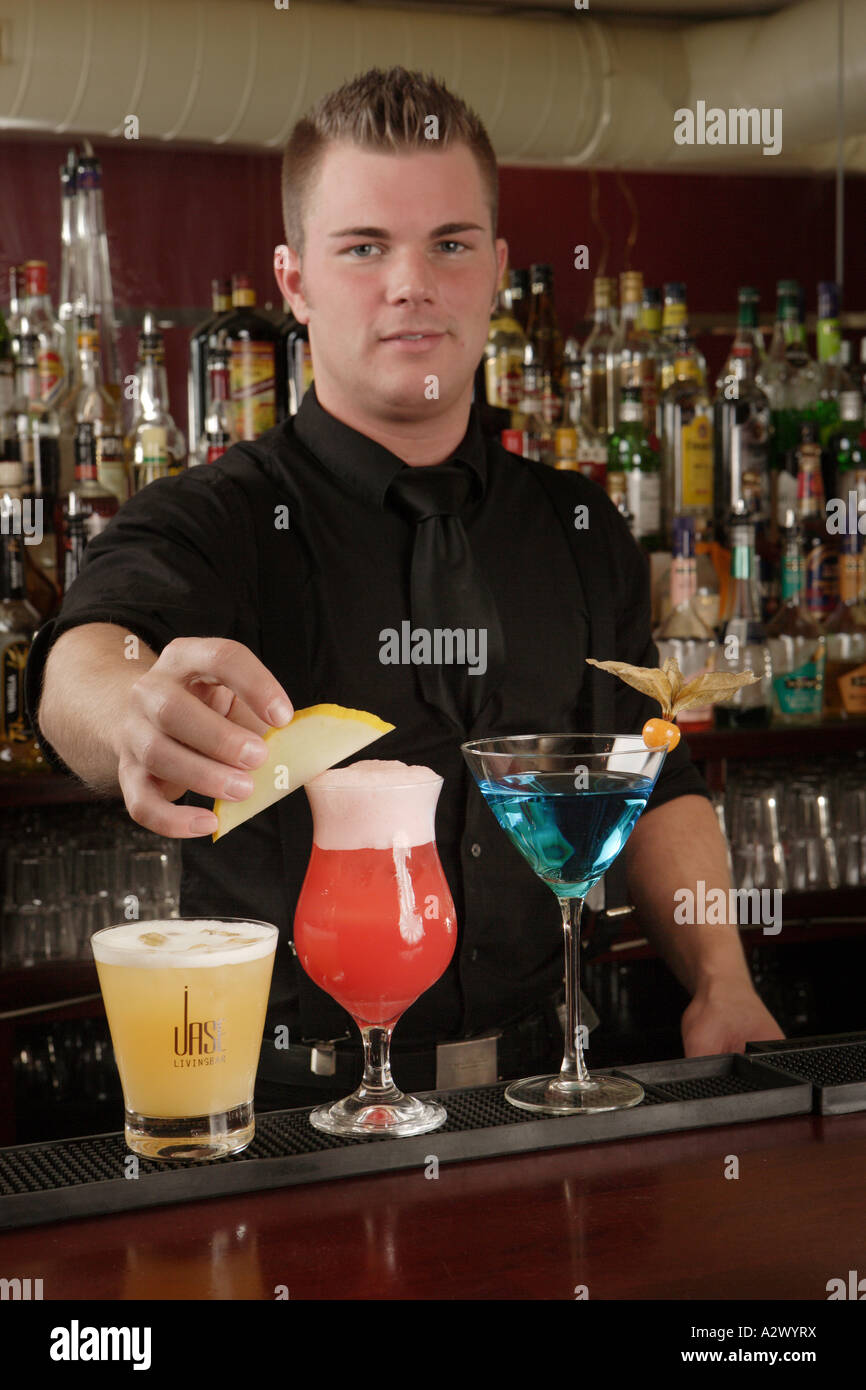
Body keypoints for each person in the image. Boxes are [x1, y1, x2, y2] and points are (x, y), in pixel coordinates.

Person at [27, 67, 783, 1110]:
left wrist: (722, 980)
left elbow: (651, 773)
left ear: (498, 271)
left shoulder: (578, 526)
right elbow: (84, 650)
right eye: (362, 247)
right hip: (293, 1112)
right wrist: (129, 712)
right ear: (291, 282)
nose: (409, 283)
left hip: (545, 1099)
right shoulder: (219, 516)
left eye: (449, 244)